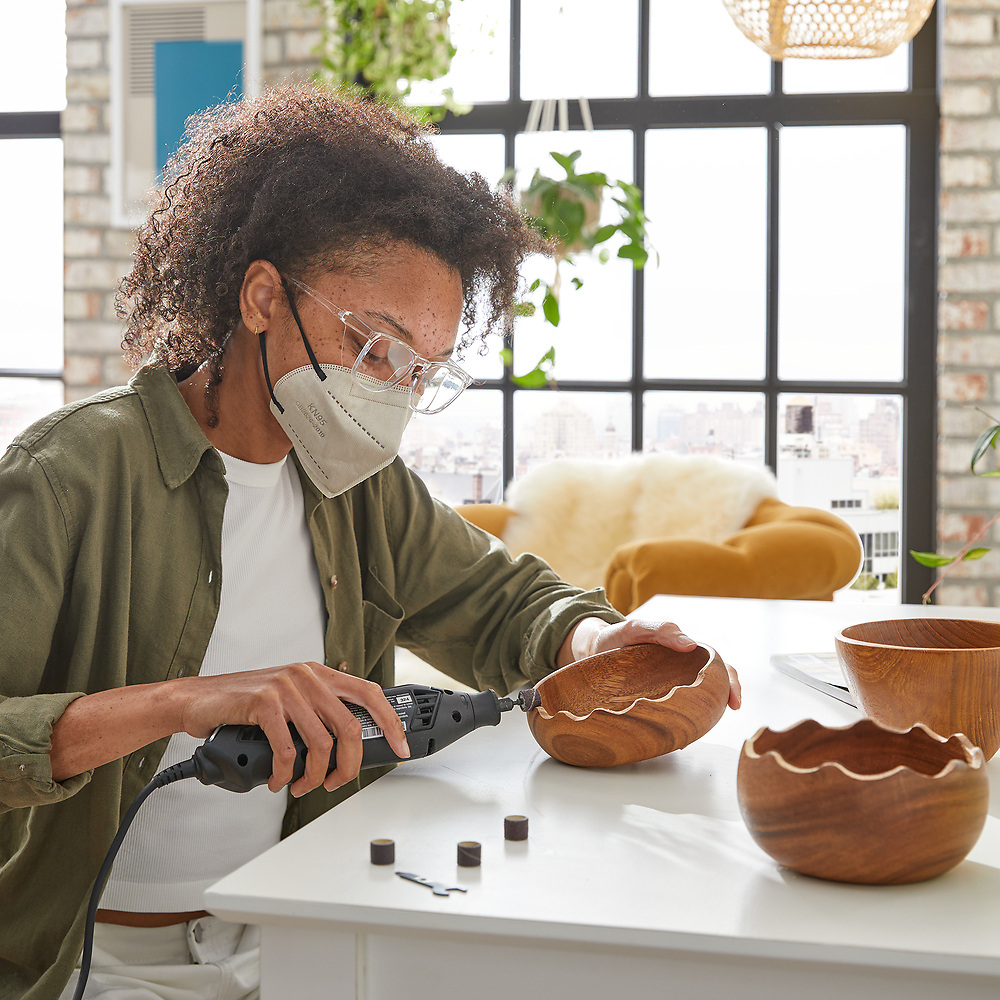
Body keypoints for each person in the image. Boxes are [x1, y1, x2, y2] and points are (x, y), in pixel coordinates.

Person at [0, 83, 740, 1000]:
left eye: (419, 369)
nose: (390, 388)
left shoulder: (360, 490)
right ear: (263, 296)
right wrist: (180, 703)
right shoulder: (70, 477)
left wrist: (593, 640)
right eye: (371, 343)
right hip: (88, 963)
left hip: (296, 935)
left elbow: (503, 603)